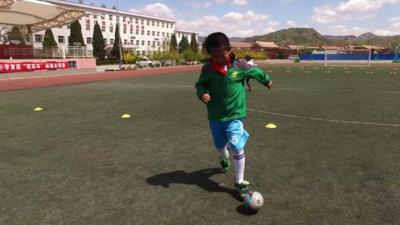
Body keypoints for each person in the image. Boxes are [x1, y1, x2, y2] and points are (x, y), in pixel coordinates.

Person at [195, 32, 272, 197]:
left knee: (237, 147)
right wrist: (202, 93)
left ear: (229, 50)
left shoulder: (240, 66)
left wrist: (266, 81)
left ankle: (239, 181)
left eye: (220, 55)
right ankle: (224, 157)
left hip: (234, 115)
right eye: (213, 56)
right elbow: (200, 85)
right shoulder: (207, 68)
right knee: (219, 145)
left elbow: (256, 72)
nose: (217, 59)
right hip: (215, 115)